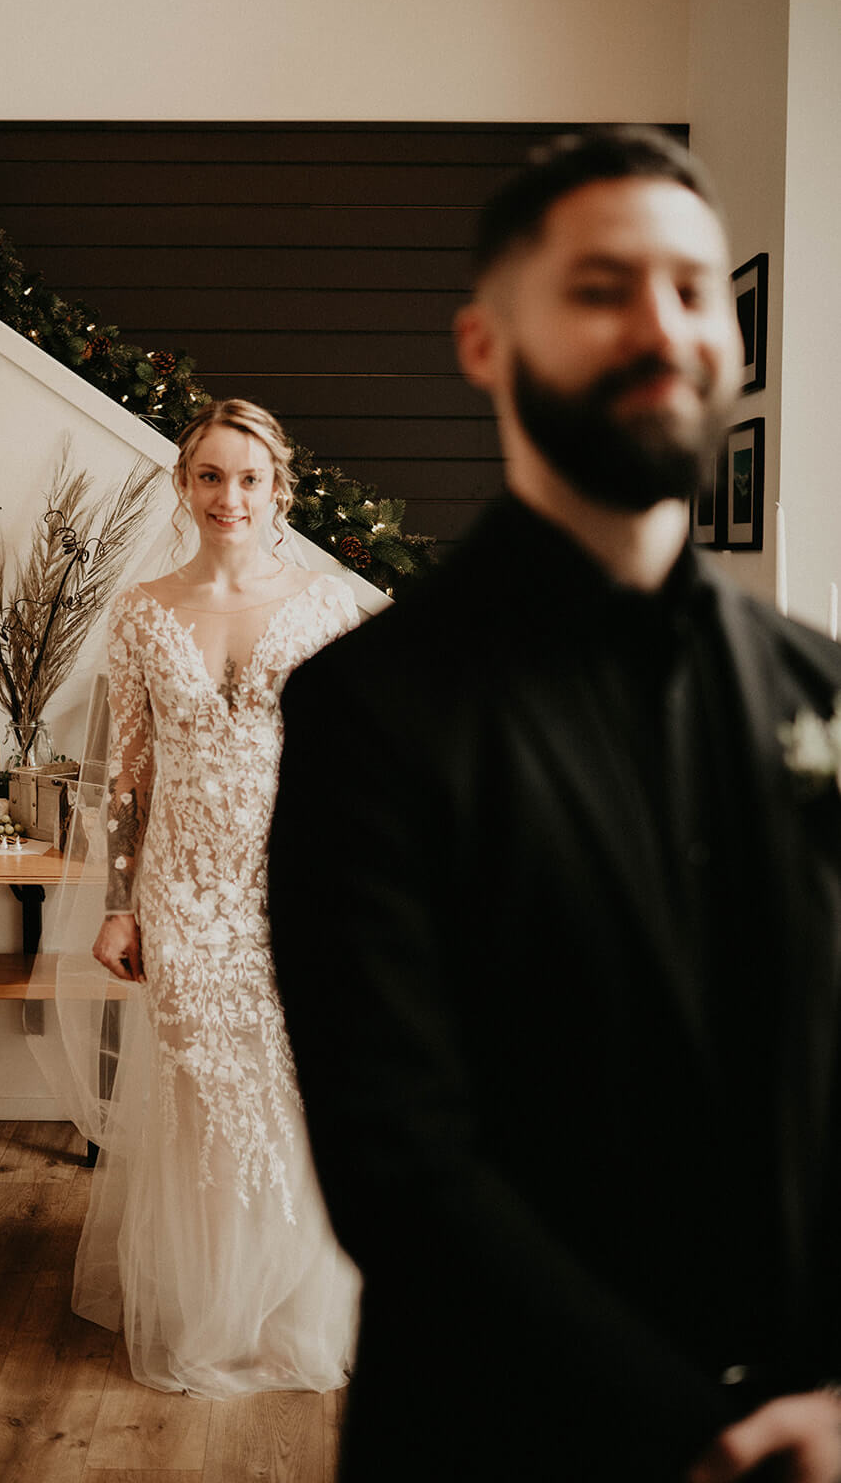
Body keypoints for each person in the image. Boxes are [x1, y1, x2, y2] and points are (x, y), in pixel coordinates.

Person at [267, 128, 841, 1481]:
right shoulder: (369, 708)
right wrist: (698, 1435)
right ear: (483, 342)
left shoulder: (817, 687)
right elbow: (397, 1156)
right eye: (602, 288)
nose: (662, 326)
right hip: (512, 1434)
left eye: (694, 290)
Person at [37, 399, 360, 1399]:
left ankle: (293, 1307)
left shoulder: (327, 603)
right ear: (185, 486)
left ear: (279, 490)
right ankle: (208, 1308)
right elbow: (127, 778)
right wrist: (120, 905)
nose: (231, 496)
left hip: (296, 882)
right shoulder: (142, 611)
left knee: (296, 1092)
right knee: (199, 1099)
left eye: (250, 477)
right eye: (211, 476)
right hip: (183, 889)